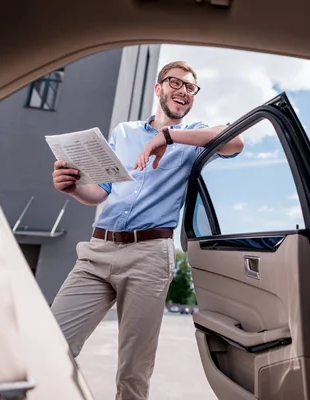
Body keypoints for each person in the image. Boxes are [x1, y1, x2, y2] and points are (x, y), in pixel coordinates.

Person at [50, 60, 244, 400]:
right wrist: (74, 188)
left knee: (133, 372)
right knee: (50, 343)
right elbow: (102, 192)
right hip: (97, 252)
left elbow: (235, 141)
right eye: (176, 83)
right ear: (159, 88)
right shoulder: (123, 133)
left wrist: (168, 137)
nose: (183, 91)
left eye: (190, 87)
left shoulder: (193, 134)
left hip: (149, 257)